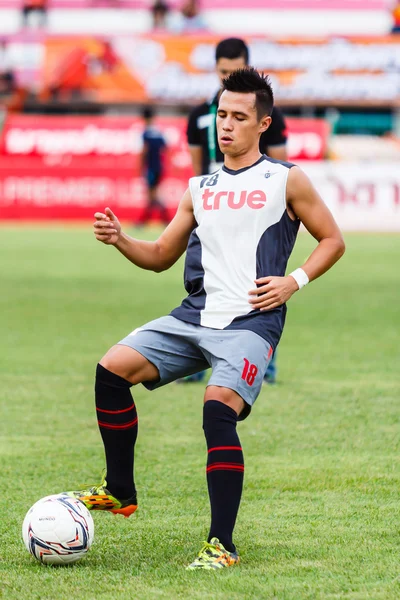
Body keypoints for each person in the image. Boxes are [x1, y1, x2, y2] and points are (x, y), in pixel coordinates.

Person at [66, 68, 345, 570]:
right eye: (221, 115)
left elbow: (333, 240)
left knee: (216, 408)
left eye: (239, 117)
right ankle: (119, 489)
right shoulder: (200, 187)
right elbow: (158, 256)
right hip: (193, 317)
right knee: (111, 370)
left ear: (263, 124)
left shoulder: (286, 179)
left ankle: (222, 545)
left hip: (250, 324)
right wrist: (121, 238)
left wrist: (293, 282)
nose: (226, 125)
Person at [183, 36, 287, 384]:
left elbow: (280, 161)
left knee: (259, 281)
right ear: (215, 68)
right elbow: (197, 168)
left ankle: (262, 361)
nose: (227, 75)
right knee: (203, 277)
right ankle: (195, 357)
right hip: (214, 205)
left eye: (235, 70)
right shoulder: (200, 115)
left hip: (255, 208)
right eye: (223, 70)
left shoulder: (266, 113)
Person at [138, 106, 169, 226]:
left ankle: (162, 218)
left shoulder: (145, 133)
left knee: (152, 195)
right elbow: (165, 150)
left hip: (150, 168)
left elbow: (143, 152)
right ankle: (147, 220)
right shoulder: (159, 133)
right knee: (153, 195)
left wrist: (140, 168)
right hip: (159, 167)